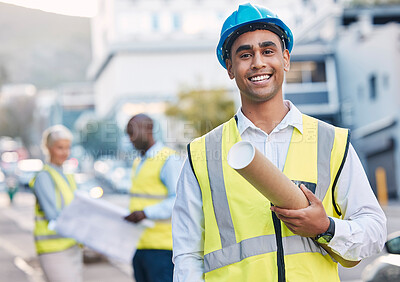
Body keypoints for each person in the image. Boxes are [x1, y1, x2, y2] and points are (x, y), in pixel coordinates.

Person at [172, 3, 387, 282]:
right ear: (230, 68)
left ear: (285, 59)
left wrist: (326, 227)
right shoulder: (202, 154)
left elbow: (373, 232)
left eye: (268, 50)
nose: (258, 62)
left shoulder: (332, 142)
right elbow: (187, 255)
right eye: (245, 54)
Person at [124, 114, 182, 282]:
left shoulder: (168, 159)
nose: (130, 138)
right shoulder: (139, 162)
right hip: (139, 245)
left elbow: (178, 200)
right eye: (128, 133)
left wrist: (145, 213)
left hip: (162, 248)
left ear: (148, 129)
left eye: (133, 132)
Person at [30, 125, 82, 282]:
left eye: (68, 148)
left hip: (72, 246)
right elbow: (53, 215)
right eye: (60, 148)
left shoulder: (68, 176)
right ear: (49, 148)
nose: (65, 153)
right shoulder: (44, 177)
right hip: (54, 250)